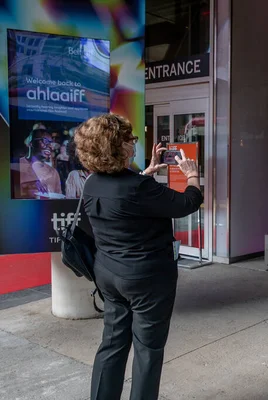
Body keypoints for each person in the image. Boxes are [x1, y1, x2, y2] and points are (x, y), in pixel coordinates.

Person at [75, 113, 203, 400]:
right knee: (148, 350)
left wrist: (146, 173)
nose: (133, 144)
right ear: (116, 147)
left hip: (108, 273)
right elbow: (188, 202)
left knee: (112, 344)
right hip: (146, 278)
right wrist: (192, 174)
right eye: (128, 140)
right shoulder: (137, 187)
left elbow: (123, 198)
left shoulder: (92, 182)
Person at [18, 123, 62, 198]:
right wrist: (31, 184)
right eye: (45, 141)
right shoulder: (18, 164)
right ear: (31, 143)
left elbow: (59, 197)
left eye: (51, 143)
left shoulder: (53, 172)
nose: (49, 146)